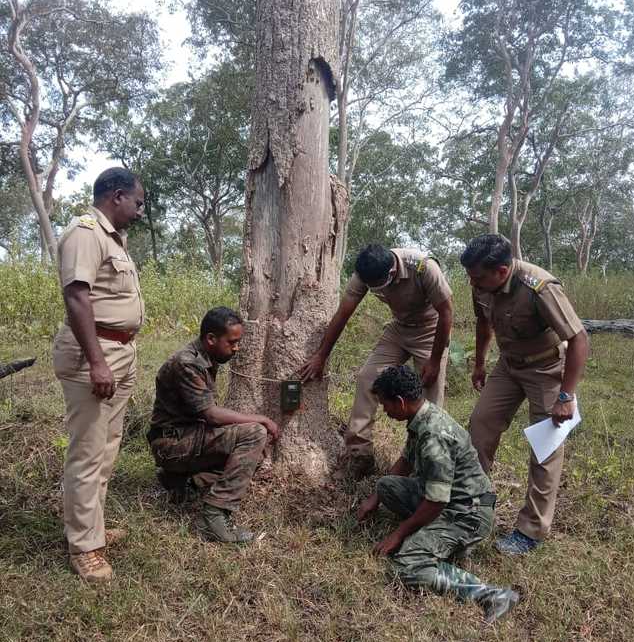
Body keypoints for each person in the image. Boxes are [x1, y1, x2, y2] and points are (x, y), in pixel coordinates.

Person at [356, 365, 519, 624]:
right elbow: (405, 462)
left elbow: (437, 501)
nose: (384, 411)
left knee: (407, 565)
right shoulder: (422, 416)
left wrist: (399, 534)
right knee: (387, 485)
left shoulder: (434, 436)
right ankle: (434, 539)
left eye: (385, 405)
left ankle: (491, 594)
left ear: (399, 402)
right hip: (449, 500)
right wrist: (374, 499)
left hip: (466, 514)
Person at [461, 234, 589, 556]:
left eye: (477, 277)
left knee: (545, 448)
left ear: (502, 271)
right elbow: (482, 323)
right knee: (480, 424)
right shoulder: (481, 283)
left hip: (546, 369)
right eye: (470, 276)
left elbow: (579, 339)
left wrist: (566, 396)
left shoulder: (539, 287)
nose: (471, 282)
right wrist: (479, 363)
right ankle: (472, 503)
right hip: (508, 366)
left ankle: (530, 530)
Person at [53, 167, 145, 585]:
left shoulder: (113, 239)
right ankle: (85, 547)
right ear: (116, 195)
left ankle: (92, 527)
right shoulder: (85, 233)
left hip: (119, 352)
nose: (141, 211)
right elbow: (76, 295)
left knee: (107, 448)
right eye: (138, 202)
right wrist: (97, 361)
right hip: (95, 354)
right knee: (88, 452)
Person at [300, 244, 453, 477]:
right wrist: (321, 355)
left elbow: (446, 313)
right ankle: (359, 454)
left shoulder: (424, 268)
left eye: (377, 286)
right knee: (368, 378)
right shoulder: (366, 273)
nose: (373, 290)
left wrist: (434, 360)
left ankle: (425, 465)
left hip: (431, 331)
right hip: (399, 330)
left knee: (430, 400)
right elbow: (343, 313)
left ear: (391, 273)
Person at [147, 307, 280, 544]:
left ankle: (184, 483)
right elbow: (211, 415)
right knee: (255, 433)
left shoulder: (207, 357)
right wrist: (260, 418)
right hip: (172, 442)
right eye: (232, 342)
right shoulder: (187, 363)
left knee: (253, 454)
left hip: (187, 436)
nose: (236, 348)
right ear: (210, 339)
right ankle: (215, 514)